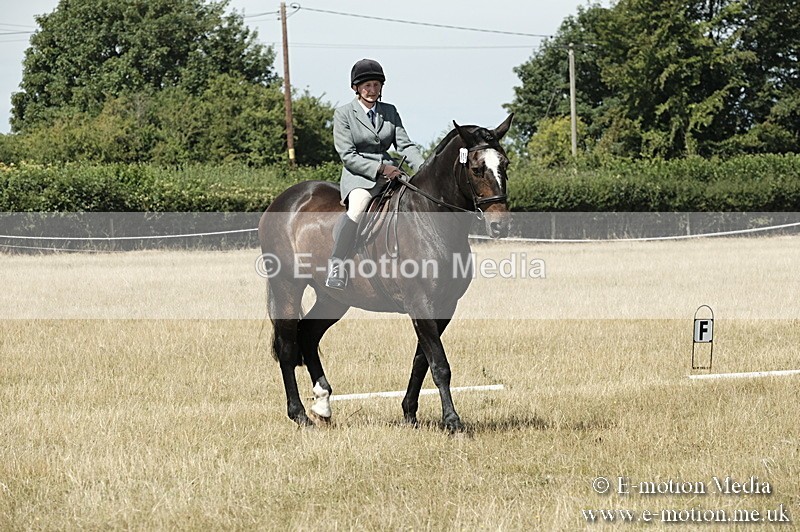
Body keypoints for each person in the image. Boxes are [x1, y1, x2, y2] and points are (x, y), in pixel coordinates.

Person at [325, 58, 426, 289]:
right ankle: (337, 263)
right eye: (367, 86)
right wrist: (380, 168)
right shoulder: (343, 114)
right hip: (360, 177)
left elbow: (405, 145)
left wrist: (424, 168)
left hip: (392, 174)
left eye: (376, 85)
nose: (372, 90)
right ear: (356, 88)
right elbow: (348, 155)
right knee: (358, 207)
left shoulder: (389, 111)